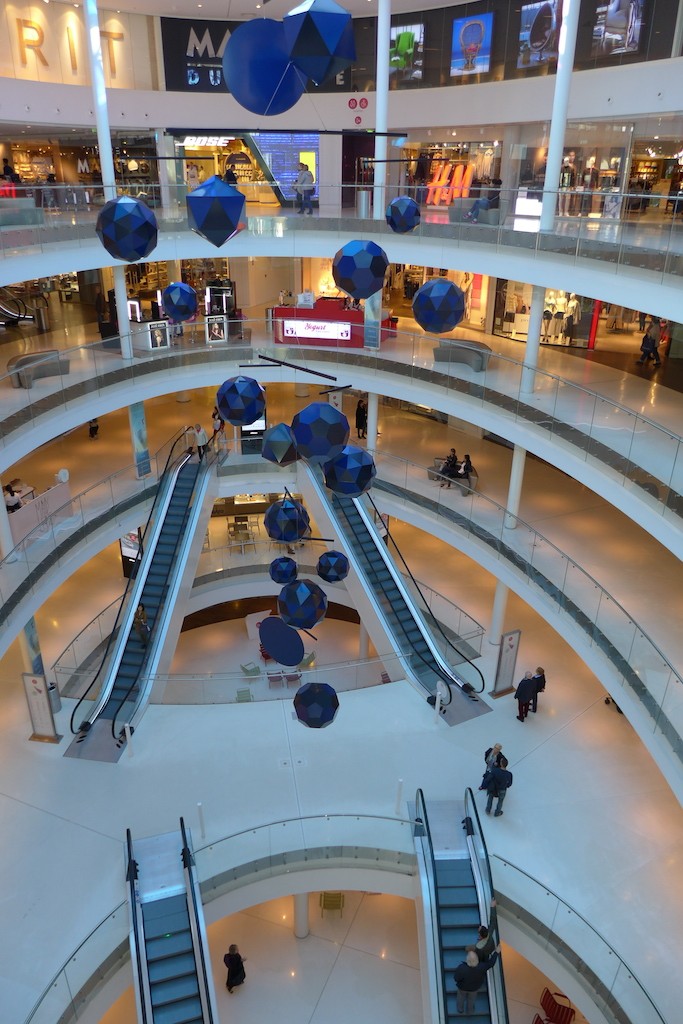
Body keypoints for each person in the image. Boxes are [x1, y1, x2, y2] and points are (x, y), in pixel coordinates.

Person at [453, 945, 500, 1013]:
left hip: (462, 988)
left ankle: (460, 1009)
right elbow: (491, 963)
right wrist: (496, 952)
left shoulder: (461, 968)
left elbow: (456, 978)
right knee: (471, 1000)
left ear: (467, 960)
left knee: (460, 998)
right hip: (474, 988)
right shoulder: (482, 967)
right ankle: (470, 1011)